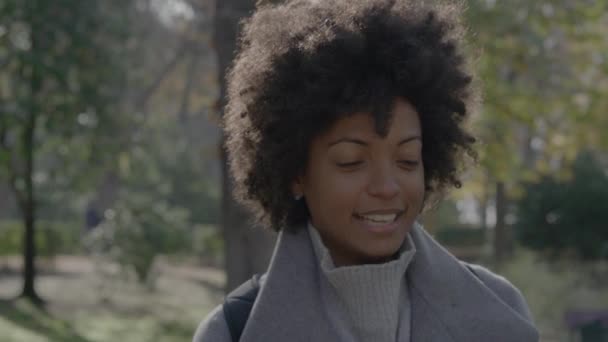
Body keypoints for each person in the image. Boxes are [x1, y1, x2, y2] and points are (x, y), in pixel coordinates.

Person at [194, 0, 539, 341]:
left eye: (407, 160)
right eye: (350, 162)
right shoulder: (232, 332)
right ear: (297, 172)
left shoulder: (500, 310)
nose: (387, 187)